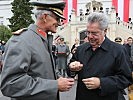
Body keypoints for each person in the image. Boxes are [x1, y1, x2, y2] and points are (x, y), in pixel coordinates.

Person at [0, 0, 75, 100]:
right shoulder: (22, 40)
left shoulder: (43, 39)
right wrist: (54, 85)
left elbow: (39, 71)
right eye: (57, 18)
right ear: (44, 17)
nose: (59, 23)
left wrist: (57, 78)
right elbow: (11, 84)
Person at [67, 12, 132, 100]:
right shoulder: (81, 49)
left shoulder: (118, 50)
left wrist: (101, 83)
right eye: (88, 32)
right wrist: (72, 68)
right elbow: (70, 71)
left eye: (94, 33)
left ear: (105, 31)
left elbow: (126, 78)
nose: (90, 36)